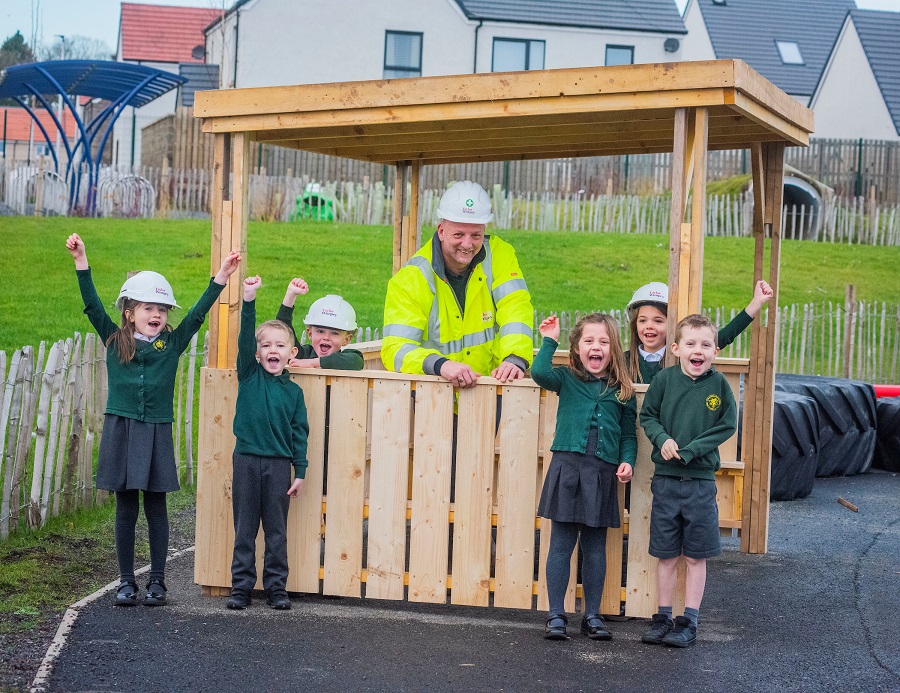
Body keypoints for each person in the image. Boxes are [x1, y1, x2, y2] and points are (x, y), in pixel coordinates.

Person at [65, 233, 240, 607]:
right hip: (122, 429)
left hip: (157, 429)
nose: (156, 315)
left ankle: (158, 581)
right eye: (148, 308)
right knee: (126, 506)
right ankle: (126, 582)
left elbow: (196, 314)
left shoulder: (171, 344)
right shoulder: (115, 341)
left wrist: (221, 277)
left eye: (162, 309)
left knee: (156, 505)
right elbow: (93, 305)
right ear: (130, 313)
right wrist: (82, 260)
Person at [532, 313, 637, 642]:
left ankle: (591, 615)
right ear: (576, 349)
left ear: (613, 348)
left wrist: (628, 461)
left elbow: (628, 436)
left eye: (604, 342)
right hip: (568, 470)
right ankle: (556, 614)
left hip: (602, 475)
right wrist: (550, 339)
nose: (597, 347)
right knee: (561, 545)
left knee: (595, 549)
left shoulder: (622, 391)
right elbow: (539, 372)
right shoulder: (566, 379)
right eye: (589, 341)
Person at [638, 314, 737, 647]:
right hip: (665, 481)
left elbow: (727, 425)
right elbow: (647, 416)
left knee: (696, 556)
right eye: (691, 344)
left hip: (700, 484)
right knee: (666, 555)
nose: (699, 350)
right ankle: (663, 617)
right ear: (677, 348)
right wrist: (662, 438)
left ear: (714, 350)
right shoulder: (664, 381)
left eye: (706, 345)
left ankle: (689, 622)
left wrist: (693, 450)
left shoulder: (719, 386)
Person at [382, 180, 534, 386]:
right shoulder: (411, 279)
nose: (467, 244)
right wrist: (440, 365)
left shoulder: (500, 256)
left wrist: (515, 357)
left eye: (476, 235)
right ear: (441, 231)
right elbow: (395, 348)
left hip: (489, 391)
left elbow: (515, 308)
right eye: (459, 234)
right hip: (433, 398)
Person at [227, 275, 309, 611]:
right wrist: (249, 298)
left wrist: (299, 471)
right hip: (245, 460)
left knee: (276, 532)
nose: (271, 350)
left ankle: (277, 588)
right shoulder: (248, 374)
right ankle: (241, 588)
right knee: (244, 529)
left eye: (279, 346)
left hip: (278, 466)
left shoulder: (293, 392)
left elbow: (299, 433)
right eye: (265, 346)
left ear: (291, 353)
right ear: (257, 353)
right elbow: (247, 336)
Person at [625, 279, 774, 384]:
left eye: (658, 321)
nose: (649, 326)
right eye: (643, 320)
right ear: (634, 324)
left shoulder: (682, 354)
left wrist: (756, 303)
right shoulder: (623, 361)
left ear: (671, 325)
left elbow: (723, 336)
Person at [275, 278, 364, 370]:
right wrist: (291, 294)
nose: (326, 337)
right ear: (310, 333)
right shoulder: (303, 354)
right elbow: (283, 329)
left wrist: (312, 363)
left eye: (334, 333)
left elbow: (356, 361)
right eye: (320, 331)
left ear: (346, 339)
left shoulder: (348, 358)